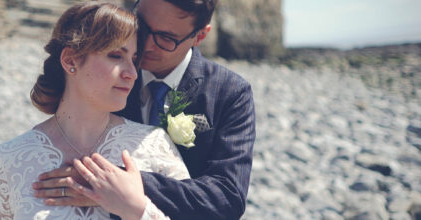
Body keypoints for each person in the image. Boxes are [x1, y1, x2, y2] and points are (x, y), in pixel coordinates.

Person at [33, 0, 256, 219]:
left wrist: (123, 184)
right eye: (143, 26)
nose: (146, 45)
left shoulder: (230, 92)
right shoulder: (103, 77)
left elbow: (228, 196)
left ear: (200, 36)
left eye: (166, 39)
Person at [0, 2, 190, 219]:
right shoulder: (9, 158)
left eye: (134, 59)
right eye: (116, 56)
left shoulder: (154, 145)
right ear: (70, 60)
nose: (132, 73)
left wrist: (135, 209)